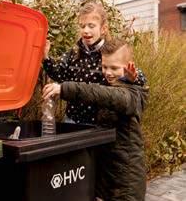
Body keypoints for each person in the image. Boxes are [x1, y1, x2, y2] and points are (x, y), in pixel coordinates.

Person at [42, 39, 148, 201]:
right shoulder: (114, 85)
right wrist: (45, 58)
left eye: (114, 68)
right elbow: (88, 80)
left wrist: (64, 88)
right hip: (109, 173)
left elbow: (100, 93)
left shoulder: (131, 95)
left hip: (126, 178)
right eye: (104, 67)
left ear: (129, 67)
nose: (108, 72)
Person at [43, 2, 146, 124]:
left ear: (103, 29)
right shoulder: (73, 52)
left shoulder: (109, 53)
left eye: (91, 26)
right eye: (82, 26)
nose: (86, 30)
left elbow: (136, 77)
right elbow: (59, 74)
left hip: (98, 123)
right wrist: (45, 57)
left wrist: (132, 78)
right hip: (72, 119)